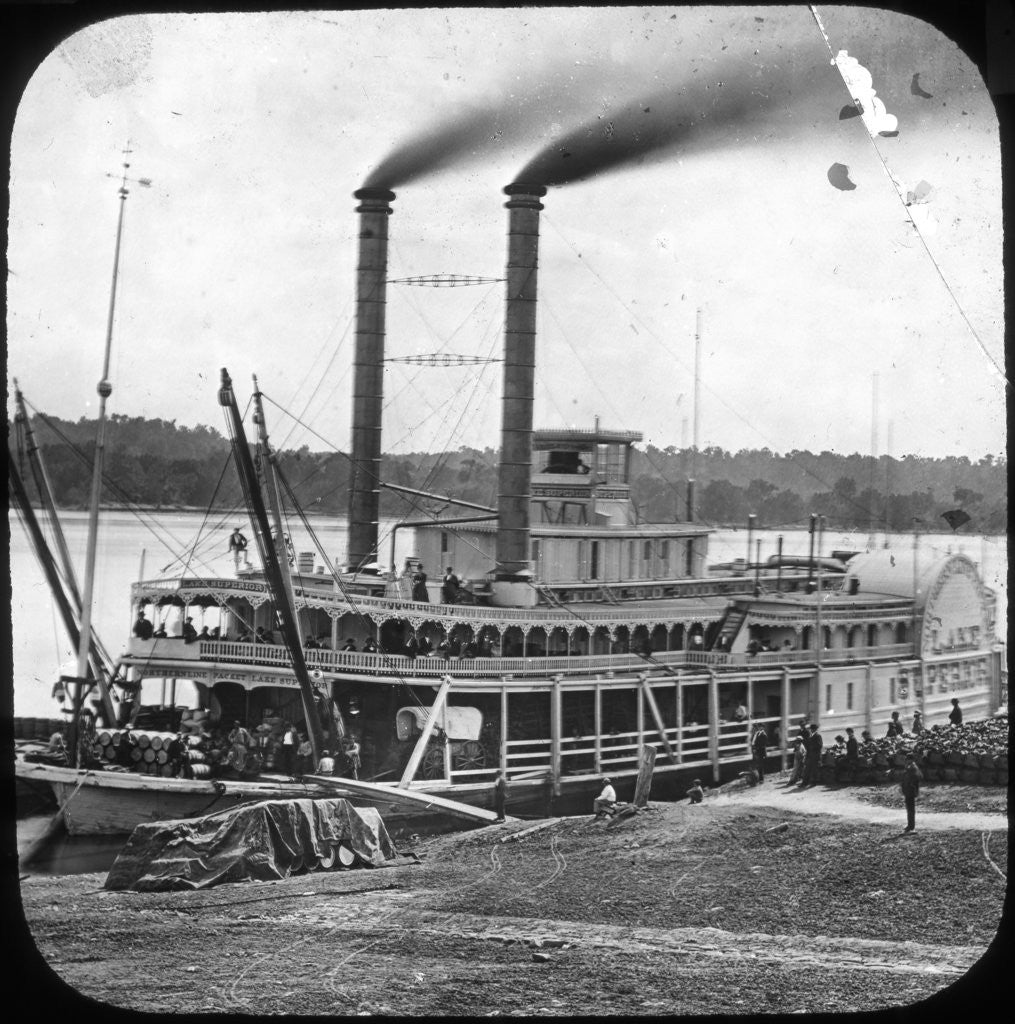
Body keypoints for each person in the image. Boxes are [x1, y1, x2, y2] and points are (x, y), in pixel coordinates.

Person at [901, 752, 922, 832]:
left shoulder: (913, 767)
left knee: (910, 809)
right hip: (908, 790)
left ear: (911, 759)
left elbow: (917, 777)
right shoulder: (910, 767)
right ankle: (910, 825)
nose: (907, 761)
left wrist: (911, 785)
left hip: (910, 790)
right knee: (909, 808)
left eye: (908, 759)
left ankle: (911, 826)